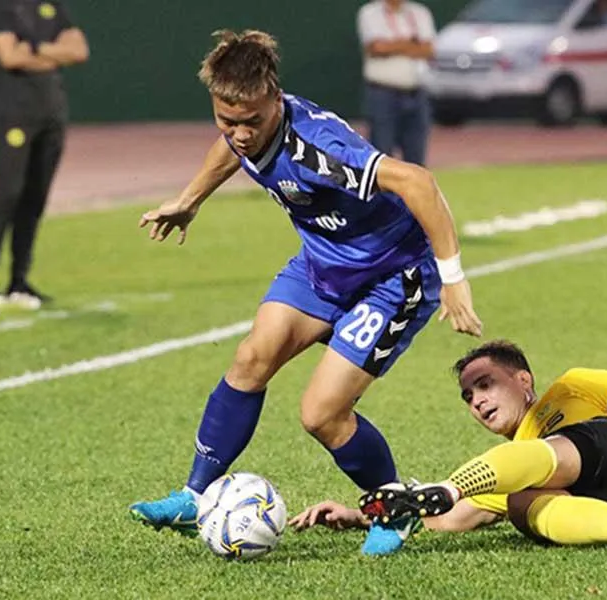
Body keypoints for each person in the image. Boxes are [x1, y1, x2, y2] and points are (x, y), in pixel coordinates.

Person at [129, 29, 482, 556]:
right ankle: (195, 496)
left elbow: (418, 183)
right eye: (227, 120)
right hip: (322, 266)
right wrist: (190, 200)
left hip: (392, 276)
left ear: (275, 98)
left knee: (321, 414)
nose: (240, 134)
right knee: (251, 358)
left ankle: (394, 507)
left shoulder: (319, 147)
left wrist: (453, 277)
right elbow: (230, 151)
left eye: (251, 122)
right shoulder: (244, 129)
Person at [292, 340, 607, 553]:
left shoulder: (574, 386)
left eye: (485, 384)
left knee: (552, 455)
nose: (477, 401)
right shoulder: (508, 466)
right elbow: (448, 521)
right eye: (468, 396)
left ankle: (448, 485)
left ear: (523, 380)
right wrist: (362, 516)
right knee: (520, 503)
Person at [0, 0, 89, 311]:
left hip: (52, 113)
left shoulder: (50, 5)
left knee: (35, 197)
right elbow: (8, 56)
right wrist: (55, 53)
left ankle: (19, 281)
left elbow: (79, 50)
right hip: (16, 113)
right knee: (8, 193)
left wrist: (35, 49)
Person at [357, 0, 435, 166]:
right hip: (383, 92)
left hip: (416, 92)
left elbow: (428, 49)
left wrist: (393, 44)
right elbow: (377, 48)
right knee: (381, 154)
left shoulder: (419, 12)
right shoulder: (371, 13)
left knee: (416, 155)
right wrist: (412, 43)